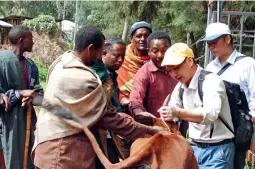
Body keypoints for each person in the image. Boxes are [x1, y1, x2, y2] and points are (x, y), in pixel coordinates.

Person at [32, 26, 168, 169]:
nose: (100, 57)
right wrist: (150, 130)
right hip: (63, 152)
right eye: (100, 52)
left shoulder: (62, 62)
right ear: (90, 49)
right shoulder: (85, 78)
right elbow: (108, 118)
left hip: (46, 144)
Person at [158, 43, 235, 169]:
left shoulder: (211, 81)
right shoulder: (180, 87)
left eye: (176, 67)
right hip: (194, 148)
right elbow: (173, 113)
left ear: (189, 61)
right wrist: (167, 114)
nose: (174, 74)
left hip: (218, 150)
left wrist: (177, 112)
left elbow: (210, 115)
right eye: (170, 70)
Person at [201, 22, 255, 169]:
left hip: (239, 129)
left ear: (227, 39)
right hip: (217, 130)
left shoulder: (247, 64)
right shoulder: (210, 67)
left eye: (214, 41)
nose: (211, 46)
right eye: (208, 43)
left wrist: (252, 130)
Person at [0, 25, 43, 169]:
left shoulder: (31, 67)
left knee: (27, 161)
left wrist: (32, 98)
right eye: (31, 39)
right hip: (5, 124)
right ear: (21, 40)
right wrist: (18, 94)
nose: (33, 42)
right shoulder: (2, 61)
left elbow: (39, 94)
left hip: (26, 123)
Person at [129, 31, 177, 121]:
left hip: (181, 125)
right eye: (155, 51)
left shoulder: (179, 68)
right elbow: (136, 96)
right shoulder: (144, 73)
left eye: (164, 51)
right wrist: (139, 112)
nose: (160, 55)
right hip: (156, 126)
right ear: (148, 52)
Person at [117, 21, 152, 107]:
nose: (143, 39)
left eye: (146, 36)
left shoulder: (158, 61)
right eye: (138, 36)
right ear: (131, 38)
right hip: (127, 109)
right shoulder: (122, 60)